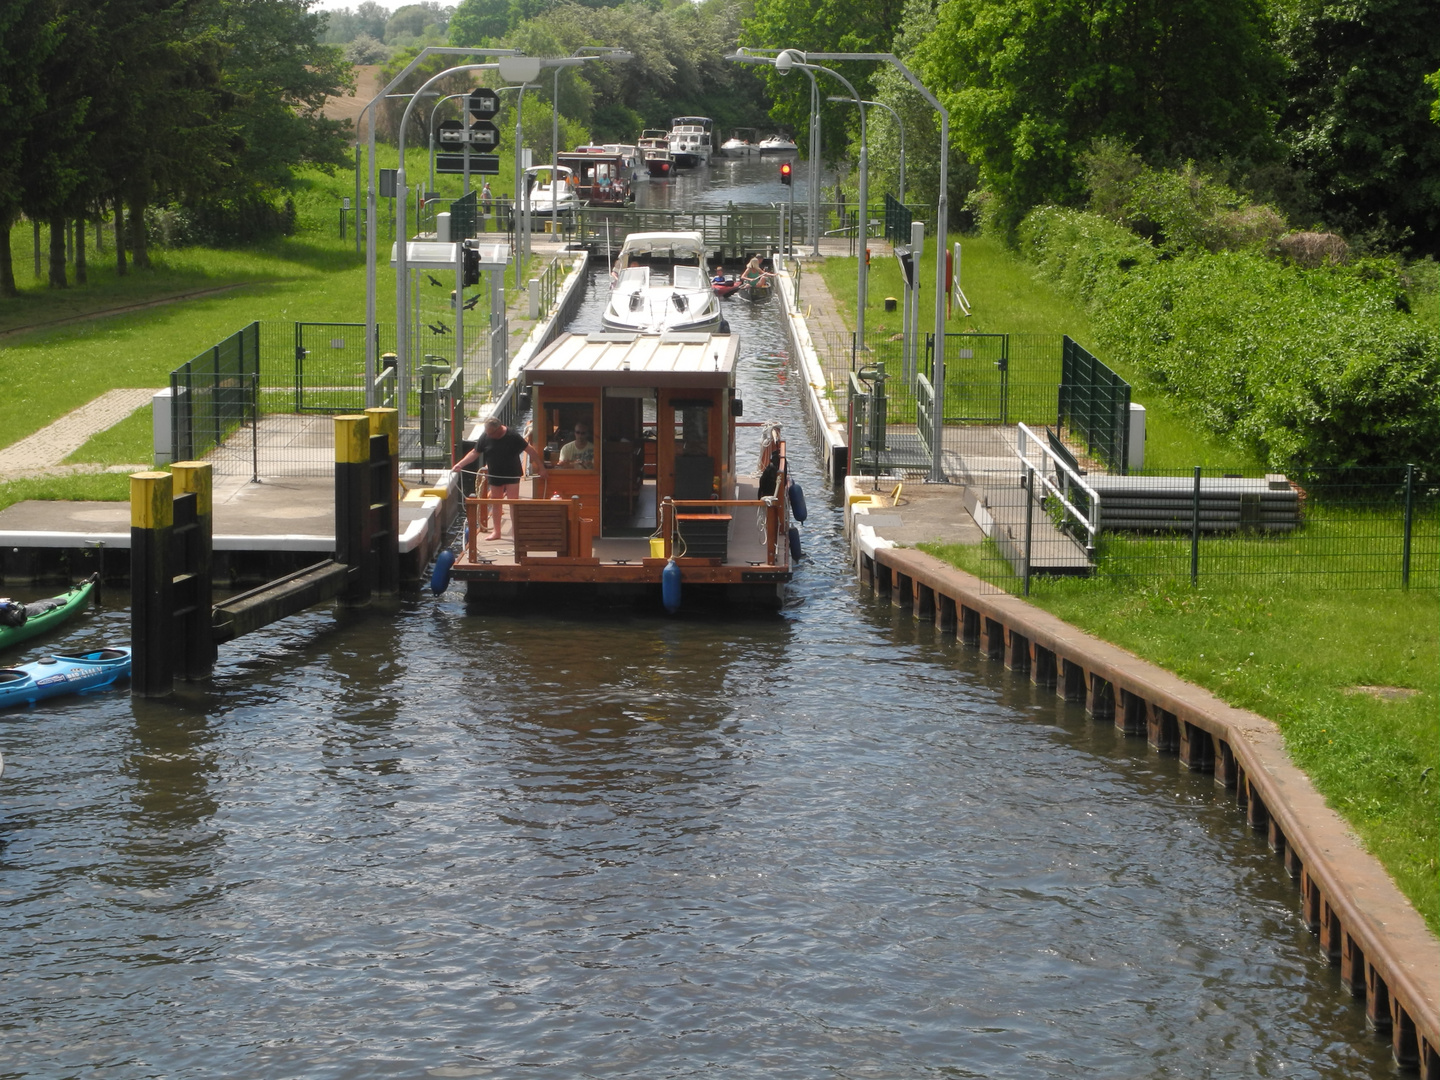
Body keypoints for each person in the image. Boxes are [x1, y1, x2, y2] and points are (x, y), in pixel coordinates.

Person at [453, 416, 547, 540]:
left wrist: (541, 467)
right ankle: (497, 532)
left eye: (491, 433)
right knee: (496, 502)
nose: (489, 435)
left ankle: (515, 532)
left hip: (512, 473)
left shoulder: (512, 435)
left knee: (513, 502)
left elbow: (530, 450)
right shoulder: (486, 436)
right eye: (487, 433)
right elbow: (474, 453)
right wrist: (460, 464)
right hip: (494, 473)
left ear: (498, 429)